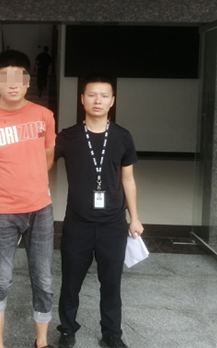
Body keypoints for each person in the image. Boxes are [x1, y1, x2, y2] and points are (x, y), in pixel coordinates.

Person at [0, 49, 56, 348]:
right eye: (6, 78)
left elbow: (47, 159)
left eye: (20, 77)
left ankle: (41, 342)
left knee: (43, 279)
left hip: (41, 210)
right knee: (0, 280)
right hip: (2, 213)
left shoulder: (44, 116)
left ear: (28, 82)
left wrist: (29, 182)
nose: (13, 84)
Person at [54, 72, 144, 348]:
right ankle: (67, 329)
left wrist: (135, 218)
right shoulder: (68, 137)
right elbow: (40, 165)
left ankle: (112, 334)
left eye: (104, 96)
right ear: (82, 99)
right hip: (77, 224)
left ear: (112, 101)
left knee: (112, 283)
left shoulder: (122, 137)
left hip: (113, 225)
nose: (97, 100)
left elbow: (128, 179)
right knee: (71, 282)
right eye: (92, 95)